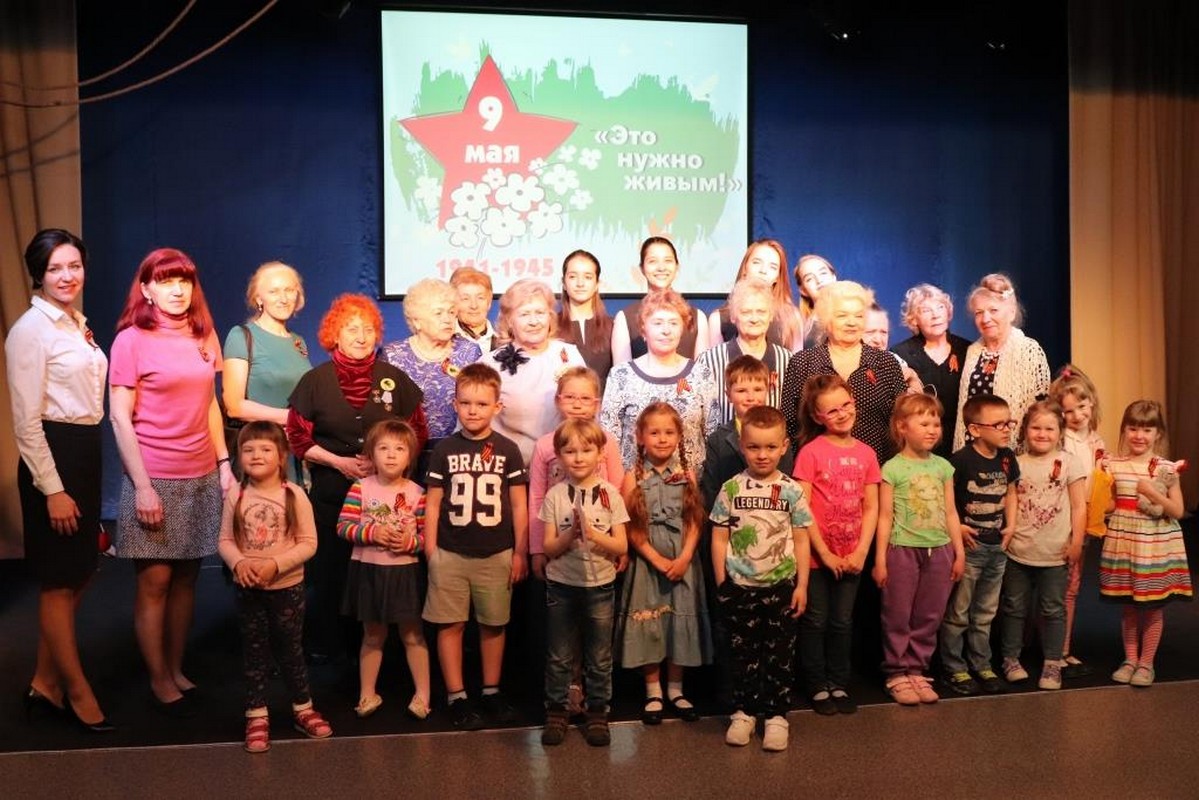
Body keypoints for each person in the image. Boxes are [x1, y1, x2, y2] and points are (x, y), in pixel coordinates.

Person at [109, 247, 237, 715]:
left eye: (184, 280)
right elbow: (119, 418)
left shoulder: (204, 334)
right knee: (156, 582)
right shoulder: (131, 340)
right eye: (165, 281)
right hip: (154, 475)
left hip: (200, 473)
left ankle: (176, 666)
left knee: (186, 578)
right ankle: (158, 675)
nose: (177, 290)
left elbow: (210, 404)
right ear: (146, 289)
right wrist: (142, 486)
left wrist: (224, 463)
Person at [7, 229, 112, 732]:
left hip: (84, 452)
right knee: (57, 581)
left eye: (74, 266)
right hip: (53, 455)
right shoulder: (31, 330)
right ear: (39, 274)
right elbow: (26, 422)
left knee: (82, 569)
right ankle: (76, 689)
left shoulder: (75, 323)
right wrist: (52, 489)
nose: (67, 276)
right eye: (55, 269)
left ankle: (45, 681)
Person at [286, 293, 426, 664]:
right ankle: (334, 653)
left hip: (388, 501)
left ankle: (381, 657)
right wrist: (338, 462)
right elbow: (297, 438)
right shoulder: (314, 381)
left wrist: (388, 467)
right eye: (351, 329)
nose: (361, 337)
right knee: (333, 575)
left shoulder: (394, 379)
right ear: (335, 334)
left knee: (381, 575)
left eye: (367, 329)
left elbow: (417, 432)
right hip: (333, 496)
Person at [422, 363, 528, 729]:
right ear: (454, 404)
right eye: (465, 403)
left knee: (493, 625)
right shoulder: (444, 449)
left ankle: (491, 691)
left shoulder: (508, 450)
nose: (473, 411)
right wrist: (431, 550)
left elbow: (519, 505)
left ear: (497, 406)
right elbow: (433, 503)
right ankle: (456, 696)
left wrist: (520, 551)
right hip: (450, 552)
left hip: (496, 552)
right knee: (450, 624)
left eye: (482, 404)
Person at [217, 422, 329, 753]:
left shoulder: (294, 495)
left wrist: (275, 565)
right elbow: (225, 541)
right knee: (255, 653)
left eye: (265, 449)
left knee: (291, 649)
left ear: (281, 456)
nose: (256, 455)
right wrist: (239, 564)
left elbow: (309, 543)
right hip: (249, 590)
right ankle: (256, 714)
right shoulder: (236, 494)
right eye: (248, 449)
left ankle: (303, 708)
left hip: (287, 588)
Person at [710, 405, 812, 752]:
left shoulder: (791, 490)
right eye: (754, 447)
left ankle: (776, 716)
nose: (762, 454)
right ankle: (744, 712)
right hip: (740, 587)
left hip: (781, 587)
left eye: (770, 447)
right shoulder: (730, 489)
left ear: (784, 446)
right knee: (742, 654)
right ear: (742, 446)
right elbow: (719, 536)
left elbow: (801, 539)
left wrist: (802, 585)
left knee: (780, 654)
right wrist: (722, 582)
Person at [618, 402, 712, 725]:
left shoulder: (687, 475)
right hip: (648, 563)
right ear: (640, 436)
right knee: (652, 621)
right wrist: (656, 559)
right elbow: (630, 526)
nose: (662, 438)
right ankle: (653, 690)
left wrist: (684, 557)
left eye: (669, 432)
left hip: (683, 562)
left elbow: (695, 520)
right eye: (654, 432)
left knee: (677, 620)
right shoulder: (633, 476)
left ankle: (675, 689)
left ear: (679, 436)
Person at [538, 418, 629, 747]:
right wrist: (571, 535)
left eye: (586, 450)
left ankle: (598, 713)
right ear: (559, 456)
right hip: (561, 585)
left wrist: (593, 534)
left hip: (600, 586)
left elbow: (621, 545)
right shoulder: (555, 495)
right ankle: (557, 711)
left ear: (600, 454)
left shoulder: (610, 494)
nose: (578, 458)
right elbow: (549, 547)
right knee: (559, 655)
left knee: (599, 656)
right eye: (570, 451)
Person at [794, 374, 880, 716]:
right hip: (817, 558)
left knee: (843, 622)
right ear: (818, 417)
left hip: (852, 557)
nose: (843, 413)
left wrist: (861, 552)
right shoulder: (810, 453)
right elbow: (801, 508)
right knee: (816, 621)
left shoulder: (867, 454)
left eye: (846, 405)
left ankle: (839, 682)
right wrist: (825, 553)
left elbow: (871, 507)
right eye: (832, 410)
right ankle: (816, 685)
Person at [872, 393, 965, 705]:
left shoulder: (943, 467)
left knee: (930, 614)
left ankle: (917, 669)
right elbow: (884, 517)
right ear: (902, 427)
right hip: (902, 550)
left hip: (939, 551)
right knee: (898, 614)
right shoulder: (892, 469)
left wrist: (958, 552)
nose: (932, 430)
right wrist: (880, 560)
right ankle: (897, 672)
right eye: (924, 423)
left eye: (936, 424)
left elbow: (951, 512)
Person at [336, 419, 430, 721]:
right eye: (383, 448)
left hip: (405, 573)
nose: (391, 455)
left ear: (410, 456)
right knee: (373, 635)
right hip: (369, 572)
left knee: (413, 634)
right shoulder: (360, 488)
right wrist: (372, 533)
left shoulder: (418, 492)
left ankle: (423, 695)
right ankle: (367, 693)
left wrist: (410, 542)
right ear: (371, 454)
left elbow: (426, 537)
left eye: (399, 449)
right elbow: (344, 526)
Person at [1099, 400, 1192, 687]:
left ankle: (1146, 663)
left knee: (1152, 607)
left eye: (1147, 430)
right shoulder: (1114, 465)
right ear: (1124, 430)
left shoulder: (1166, 469)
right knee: (1128, 607)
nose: (1139, 435)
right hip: (1125, 542)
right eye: (1133, 428)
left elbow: (1177, 510)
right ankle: (1130, 659)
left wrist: (1152, 493)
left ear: (1158, 434)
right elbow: (1111, 503)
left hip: (1154, 547)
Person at [998, 401, 1086, 691]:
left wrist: (1077, 542)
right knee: (1013, 607)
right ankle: (1011, 658)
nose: (1042, 434)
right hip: (1018, 551)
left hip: (1055, 553)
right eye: (1036, 427)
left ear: (1060, 432)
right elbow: (1009, 500)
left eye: (1049, 428)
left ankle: (1052, 662)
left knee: (1053, 609)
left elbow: (1079, 506)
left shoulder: (1070, 462)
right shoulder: (1016, 462)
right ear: (1025, 430)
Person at [938, 394, 1020, 697]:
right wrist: (958, 527)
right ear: (974, 429)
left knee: (986, 611)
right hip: (971, 548)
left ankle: (981, 663)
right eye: (999, 424)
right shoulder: (959, 461)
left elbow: (1011, 493)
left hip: (997, 547)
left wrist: (1011, 525)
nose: (1006, 429)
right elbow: (946, 502)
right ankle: (953, 666)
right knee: (959, 611)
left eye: (1009, 423)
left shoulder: (1007, 457)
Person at [780, 280, 906, 465]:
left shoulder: (886, 363)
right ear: (826, 319)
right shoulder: (802, 362)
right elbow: (789, 423)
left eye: (858, 316)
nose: (852, 322)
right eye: (842, 315)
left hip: (875, 471)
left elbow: (901, 421)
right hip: (817, 471)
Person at [601, 290, 721, 475]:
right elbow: (609, 440)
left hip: (691, 486)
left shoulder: (701, 374)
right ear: (643, 329)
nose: (666, 330)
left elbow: (712, 436)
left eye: (673, 323)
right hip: (634, 486)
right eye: (658, 323)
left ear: (683, 328)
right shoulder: (621, 376)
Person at [528, 367, 624, 580]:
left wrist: (619, 543)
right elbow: (536, 499)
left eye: (585, 398)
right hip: (557, 541)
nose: (577, 405)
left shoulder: (607, 442)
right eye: (570, 397)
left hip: (600, 544)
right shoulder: (544, 445)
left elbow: (618, 490)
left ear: (597, 404)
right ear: (558, 400)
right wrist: (537, 550)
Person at [479, 278, 586, 466]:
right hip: (512, 468)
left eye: (540, 313)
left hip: (566, 465)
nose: (534, 321)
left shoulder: (570, 355)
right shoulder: (489, 365)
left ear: (550, 317)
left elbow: (589, 414)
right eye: (525, 314)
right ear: (509, 321)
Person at [221, 262, 312, 482]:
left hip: (292, 452)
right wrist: (293, 419)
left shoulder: (298, 342)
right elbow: (234, 405)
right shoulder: (241, 336)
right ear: (259, 299)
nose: (283, 298)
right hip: (259, 451)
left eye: (289, 290)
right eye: (274, 291)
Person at [383, 277, 482, 477]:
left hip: (459, 453)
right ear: (417, 321)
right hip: (407, 455)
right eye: (439, 313)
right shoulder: (393, 355)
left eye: (451, 312)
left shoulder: (469, 352)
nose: (448, 319)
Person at [1048, 364, 1107, 675]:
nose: (1077, 415)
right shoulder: (1061, 440)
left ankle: (1063, 648)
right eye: (1068, 411)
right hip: (1062, 520)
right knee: (1055, 587)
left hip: (1086, 521)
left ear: (1092, 402)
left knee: (1072, 585)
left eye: (1082, 407)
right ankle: (1052, 649)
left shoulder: (1097, 441)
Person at [952, 273, 1051, 452]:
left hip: (1012, 455)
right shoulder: (973, 352)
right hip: (973, 454)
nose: (985, 319)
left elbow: (1040, 410)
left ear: (1011, 312)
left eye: (993, 310)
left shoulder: (1029, 350)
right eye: (979, 313)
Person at [696, 278, 793, 425]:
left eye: (761, 312)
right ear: (733, 317)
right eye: (746, 312)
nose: (754, 319)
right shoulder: (708, 361)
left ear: (771, 316)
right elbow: (701, 418)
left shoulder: (788, 361)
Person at [891, 284, 972, 459]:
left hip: (961, 444)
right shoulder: (900, 353)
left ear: (948, 312)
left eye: (940, 307)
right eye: (926, 310)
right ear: (914, 319)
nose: (936, 315)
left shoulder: (968, 350)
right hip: (918, 447)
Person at [611, 236, 709, 364]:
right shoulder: (625, 317)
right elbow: (621, 371)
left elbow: (702, 370)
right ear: (642, 268)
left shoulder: (697, 317)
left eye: (668, 261)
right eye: (653, 261)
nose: (661, 268)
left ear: (677, 266)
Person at [706, 240, 804, 351]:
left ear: (777, 277)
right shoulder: (718, 319)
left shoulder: (792, 317)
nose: (763, 271)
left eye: (773, 267)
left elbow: (797, 360)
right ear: (745, 268)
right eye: (757, 262)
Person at [555, 250, 615, 390]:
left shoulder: (614, 327)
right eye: (572, 276)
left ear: (597, 283)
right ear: (564, 283)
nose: (580, 283)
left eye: (588, 277)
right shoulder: (550, 327)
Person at [862, 302, 921, 392]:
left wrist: (913, 377)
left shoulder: (896, 360)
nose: (878, 340)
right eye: (870, 332)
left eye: (883, 332)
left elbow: (919, 399)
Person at [450, 266, 499, 353]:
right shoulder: (444, 342)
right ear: (453, 303)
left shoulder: (504, 344)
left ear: (489, 301)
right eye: (465, 299)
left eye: (480, 298)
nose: (474, 306)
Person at [794, 254, 837, 348]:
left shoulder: (859, 313)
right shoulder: (802, 330)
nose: (819, 280)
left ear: (833, 277)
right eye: (809, 279)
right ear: (803, 290)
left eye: (823, 273)